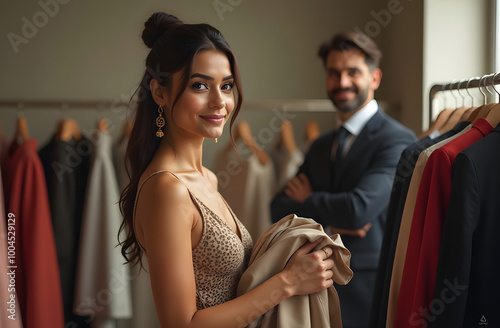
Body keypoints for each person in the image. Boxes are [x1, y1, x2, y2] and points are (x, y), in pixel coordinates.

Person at [118, 12, 336, 328]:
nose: (220, 101)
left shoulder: (205, 178)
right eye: (199, 86)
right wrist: (288, 282)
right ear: (159, 92)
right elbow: (182, 324)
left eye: (227, 85)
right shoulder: (167, 189)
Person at [270, 30, 417, 328]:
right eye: (334, 73)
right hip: (315, 285)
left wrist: (309, 201)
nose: (342, 83)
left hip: (368, 287)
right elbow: (279, 206)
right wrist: (334, 224)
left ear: (374, 78)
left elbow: (358, 209)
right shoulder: (322, 145)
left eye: (353, 72)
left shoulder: (397, 140)